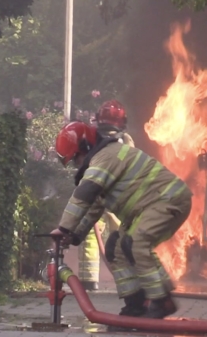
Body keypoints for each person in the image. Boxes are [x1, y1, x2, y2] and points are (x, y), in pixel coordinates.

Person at [50, 121, 192, 320]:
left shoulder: (106, 157)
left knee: (136, 242)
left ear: (86, 148)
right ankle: (135, 305)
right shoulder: (101, 163)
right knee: (116, 247)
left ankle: (162, 301)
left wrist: (64, 228)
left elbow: (85, 194)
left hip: (168, 199)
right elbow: (94, 208)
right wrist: (74, 235)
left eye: (76, 159)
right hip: (148, 207)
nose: (76, 165)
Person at [77, 100, 136, 291]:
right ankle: (125, 281)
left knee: (90, 238)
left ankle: (89, 280)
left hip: (97, 194)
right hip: (118, 198)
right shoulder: (126, 141)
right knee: (119, 239)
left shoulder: (93, 140)